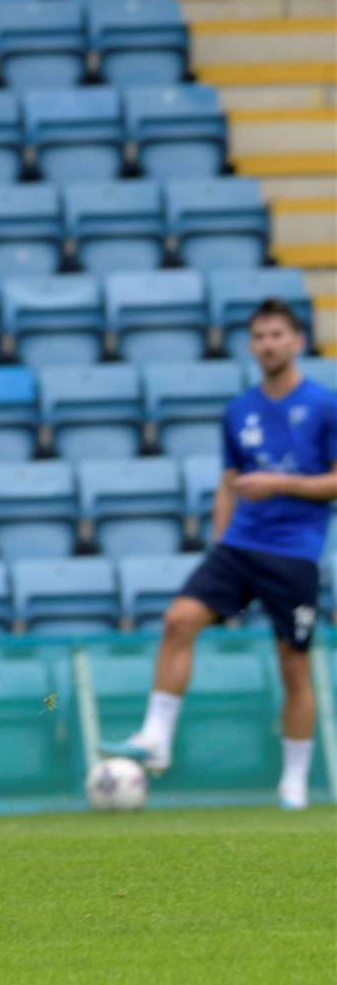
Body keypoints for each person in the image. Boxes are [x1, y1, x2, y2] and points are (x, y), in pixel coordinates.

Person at [101, 299, 337, 810]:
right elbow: (229, 483)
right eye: (259, 335)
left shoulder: (325, 405)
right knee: (179, 619)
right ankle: (155, 737)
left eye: (277, 334)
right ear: (251, 345)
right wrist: (219, 540)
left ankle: (294, 785)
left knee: (292, 665)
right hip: (239, 547)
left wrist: (280, 482)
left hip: (294, 553)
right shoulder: (239, 410)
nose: (268, 343)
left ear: (296, 341)